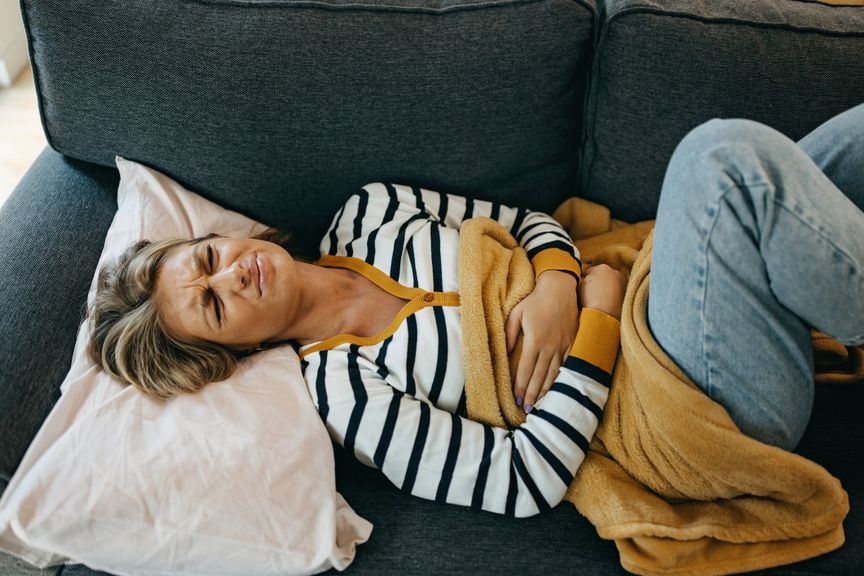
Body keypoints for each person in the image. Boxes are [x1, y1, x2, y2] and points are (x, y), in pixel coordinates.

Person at [89, 102, 864, 517]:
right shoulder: (346, 398)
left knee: (838, 146)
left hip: (673, 297)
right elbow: (518, 481)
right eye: (216, 306)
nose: (234, 276)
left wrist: (561, 286)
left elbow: (525, 222)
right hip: (684, 410)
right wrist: (596, 325)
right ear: (233, 355)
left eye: (207, 261)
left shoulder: (371, 211)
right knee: (721, 162)